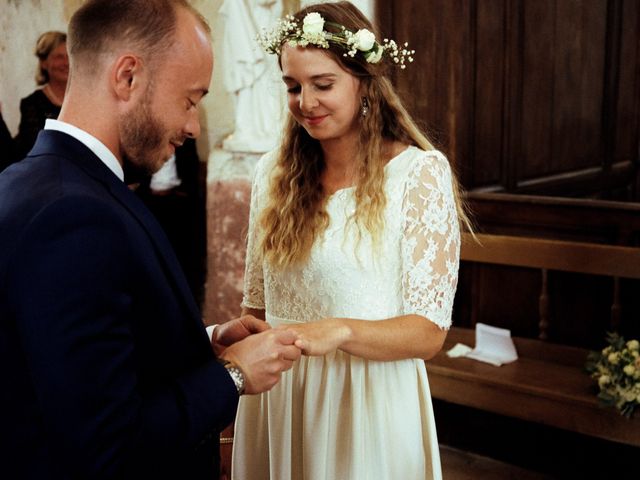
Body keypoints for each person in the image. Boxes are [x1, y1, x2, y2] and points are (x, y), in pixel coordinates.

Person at [0, 1, 301, 478]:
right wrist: (233, 376)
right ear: (127, 77)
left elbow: (87, 364)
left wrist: (205, 342)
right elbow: (107, 445)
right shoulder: (72, 216)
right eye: (190, 99)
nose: (193, 126)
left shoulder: (44, 182)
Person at [231, 2, 470, 479]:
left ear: (364, 82)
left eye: (323, 84)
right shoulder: (271, 174)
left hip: (366, 403)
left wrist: (339, 330)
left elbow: (428, 333)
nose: (305, 102)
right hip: (280, 398)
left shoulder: (418, 174)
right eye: (293, 86)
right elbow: (257, 309)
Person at [14, 31, 68, 159]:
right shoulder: (31, 105)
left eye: (69, 56)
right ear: (44, 63)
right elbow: (32, 149)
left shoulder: (86, 98)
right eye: (59, 57)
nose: (67, 63)